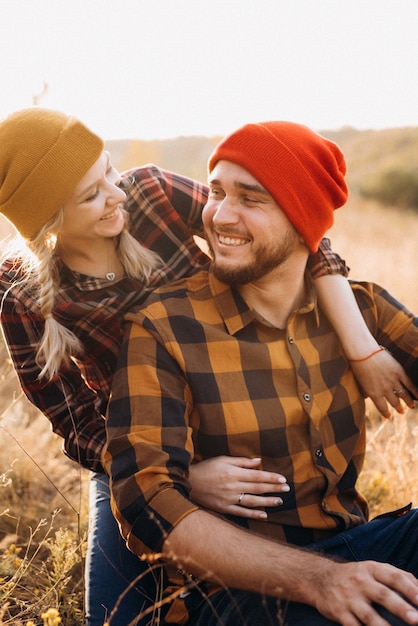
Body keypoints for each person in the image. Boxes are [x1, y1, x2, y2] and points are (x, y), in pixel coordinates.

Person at [0, 108, 402, 625]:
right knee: (118, 615)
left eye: (108, 171)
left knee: (305, 556)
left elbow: (292, 235)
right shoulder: (20, 294)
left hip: (237, 414)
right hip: (138, 452)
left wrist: (361, 346)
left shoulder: (150, 194)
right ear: (50, 219)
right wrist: (184, 477)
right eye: (92, 195)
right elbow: (71, 418)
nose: (116, 194)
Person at [105, 120, 418, 626]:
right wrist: (320, 580)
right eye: (216, 191)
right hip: (237, 591)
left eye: (251, 199)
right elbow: (146, 502)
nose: (219, 215)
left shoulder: (363, 310)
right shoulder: (164, 327)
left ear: (304, 223)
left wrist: (364, 349)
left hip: (362, 546)